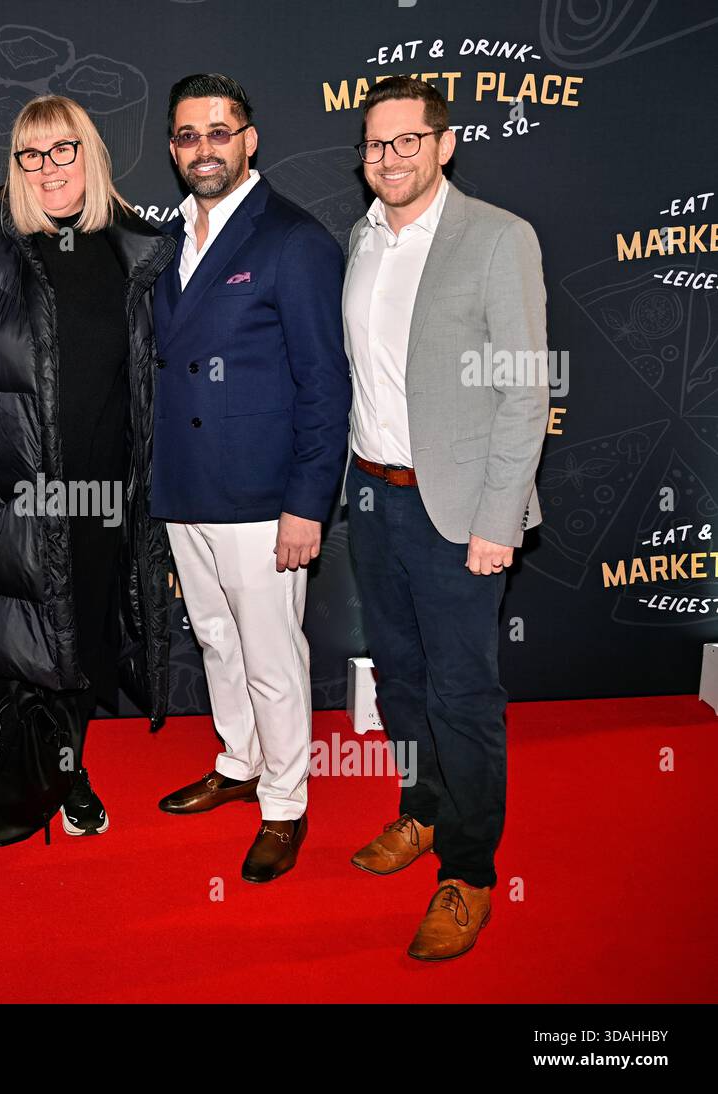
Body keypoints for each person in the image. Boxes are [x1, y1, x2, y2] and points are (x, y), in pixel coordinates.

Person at [0, 94, 175, 837]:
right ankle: (29, 784)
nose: (49, 168)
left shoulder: (138, 250)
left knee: (87, 640)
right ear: (17, 168)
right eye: (31, 155)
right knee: (29, 643)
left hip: (109, 491)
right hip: (15, 488)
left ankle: (68, 771)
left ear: (91, 154)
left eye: (63, 150)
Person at [342, 76, 548, 960]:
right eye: (374, 145)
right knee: (400, 682)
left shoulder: (498, 238)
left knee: (463, 698)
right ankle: (421, 813)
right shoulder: (362, 237)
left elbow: (525, 388)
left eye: (406, 141)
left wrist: (498, 519)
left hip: (459, 511)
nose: (388, 159)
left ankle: (467, 873)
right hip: (372, 495)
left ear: (444, 142)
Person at [152, 74, 351, 884]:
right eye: (189, 136)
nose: (205, 148)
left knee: (272, 655)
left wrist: (306, 504)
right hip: (186, 487)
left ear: (249, 140)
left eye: (219, 131)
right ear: (173, 149)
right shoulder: (173, 238)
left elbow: (325, 384)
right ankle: (238, 761)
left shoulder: (294, 240)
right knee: (214, 640)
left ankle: (285, 803)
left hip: (263, 499)